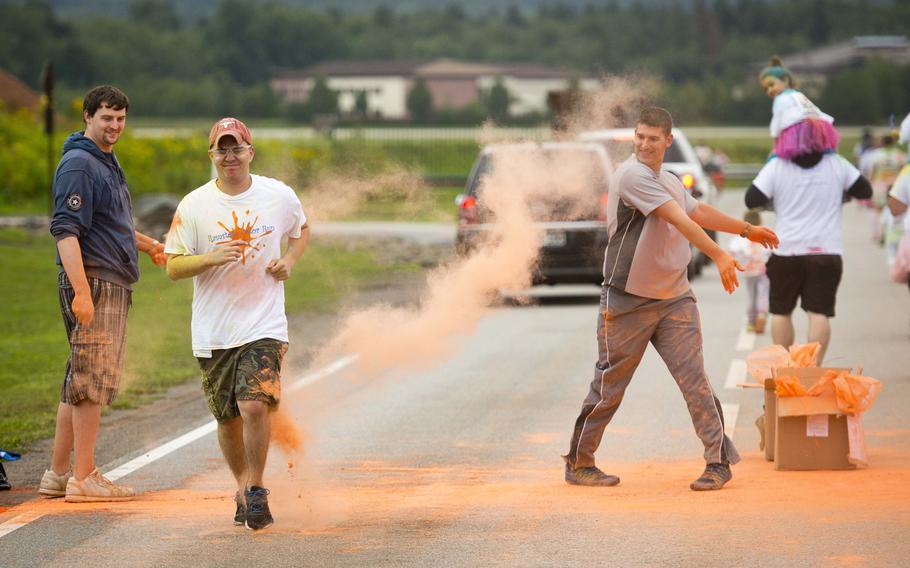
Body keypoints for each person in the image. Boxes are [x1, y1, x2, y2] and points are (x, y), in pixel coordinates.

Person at [563, 107, 779, 492]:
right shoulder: (630, 175)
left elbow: (698, 211)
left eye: (652, 138)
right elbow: (678, 219)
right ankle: (580, 462)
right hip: (627, 300)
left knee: (695, 380)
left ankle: (717, 462)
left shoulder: (669, 178)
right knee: (609, 386)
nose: (644, 144)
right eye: (639, 136)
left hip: (675, 297)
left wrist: (746, 230)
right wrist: (718, 254)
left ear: (668, 140)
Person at [164, 117, 309, 530]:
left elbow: (302, 231)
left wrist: (290, 261)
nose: (230, 156)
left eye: (237, 148)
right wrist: (210, 257)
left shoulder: (278, 195)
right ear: (212, 155)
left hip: (264, 323)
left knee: (253, 404)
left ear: (250, 152)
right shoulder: (194, 205)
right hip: (214, 330)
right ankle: (243, 484)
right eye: (222, 149)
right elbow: (174, 267)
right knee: (227, 419)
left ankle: (258, 489)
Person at [41, 85, 166, 503]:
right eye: (107, 117)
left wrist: (146, 245)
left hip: (104, 278)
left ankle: (58, 474)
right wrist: (82, 292)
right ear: (87, 117)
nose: (115, 125)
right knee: (92, 380)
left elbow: (109, 225)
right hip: (95, 281)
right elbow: (66, 231)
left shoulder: (103, 161)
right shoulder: (80, 165)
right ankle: (85, 477)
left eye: (121, 118)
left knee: (76, 381)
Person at [745, 127, 873, 365]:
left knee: (781, 312)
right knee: (819, 313)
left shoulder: (777, 166)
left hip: (786, 250)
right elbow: (865, 190)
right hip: (826, 250)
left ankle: (785, 369)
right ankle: (812, 370)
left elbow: (752, 199)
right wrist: (839, 193)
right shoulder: (837, 164)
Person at [759, 56, 840, 161]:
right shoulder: (798, 95)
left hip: (800, 131)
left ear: (785, 80)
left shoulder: (780, 99)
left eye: (771, 85)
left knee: (775, 159)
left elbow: (777, 127)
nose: (769, 90)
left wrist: (775, 150)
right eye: (766, 89)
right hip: (822, 128)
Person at [729, 209, 771, 334]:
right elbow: (772, 250)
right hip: (764, 271)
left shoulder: (740, 239)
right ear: (760, 222)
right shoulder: (763, 235)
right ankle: (762, 314)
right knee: (763, 294)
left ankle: (751, 323)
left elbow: (731, 250)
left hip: (749, 272)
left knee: (752, 297)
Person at [866, 131, 906, 245]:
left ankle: (882, 232)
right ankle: (891, 231)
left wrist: (869, 184)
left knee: (879, 210)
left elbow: (872, 172)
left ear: (882, 142)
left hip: (879, 185)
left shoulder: (876, 154)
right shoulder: (899, 154)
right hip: (895, 185)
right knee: (895, 210)